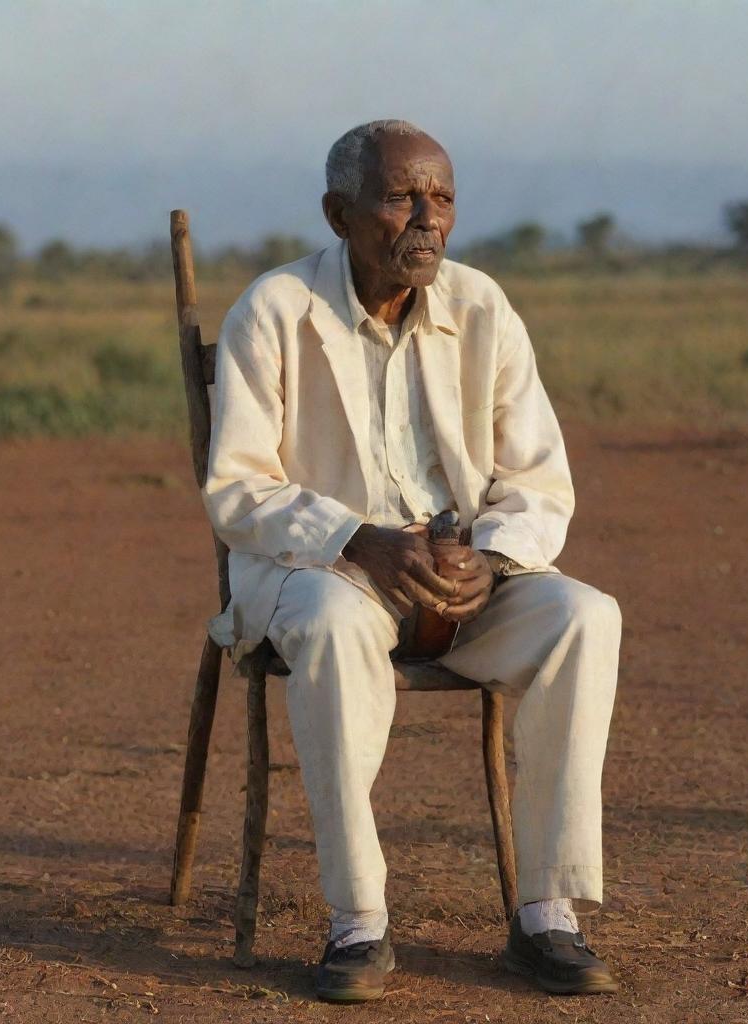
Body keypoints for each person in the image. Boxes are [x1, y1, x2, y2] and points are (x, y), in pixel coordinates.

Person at [203, 119, 621, 1001]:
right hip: (327, 575)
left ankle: (547, 915)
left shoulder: (482, 307)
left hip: (461, 587)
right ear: (339, 213)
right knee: (328, 619)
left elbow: (540, 483)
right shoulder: (275, 310)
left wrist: (494, 562)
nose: (427, 220)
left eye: (443, 199)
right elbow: (237, 489)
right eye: (401, 198)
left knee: (586, 616)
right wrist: (356, 541)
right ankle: (359, 923)